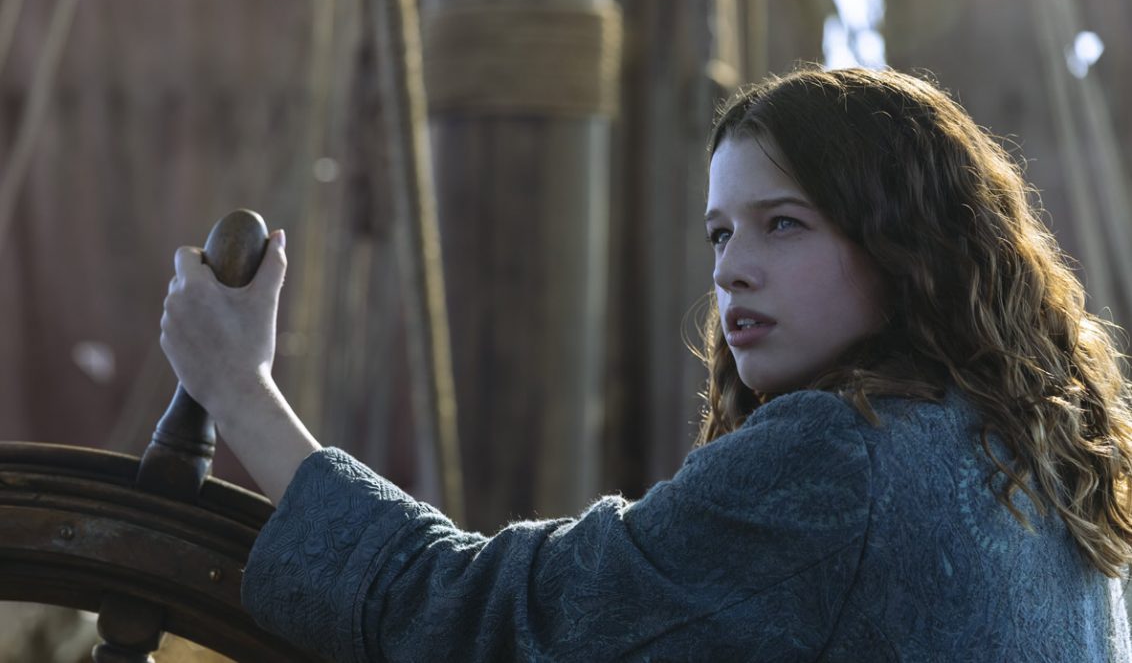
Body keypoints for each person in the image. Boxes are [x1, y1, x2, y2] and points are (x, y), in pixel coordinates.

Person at [160, 67, 1132, 661]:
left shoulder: (844, 456)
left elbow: (488, 628)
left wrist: (240, 391)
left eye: (782, 224)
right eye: (719, 233)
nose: (731, 268)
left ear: (903, 245)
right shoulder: (1034, 453)